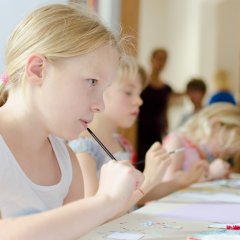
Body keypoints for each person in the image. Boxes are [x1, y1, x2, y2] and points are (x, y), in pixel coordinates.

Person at [0, 4, 144, 239]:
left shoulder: (66, 162)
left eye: (104, 89)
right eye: (92, 82)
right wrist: (104, 201)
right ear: (37, 70)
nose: (101, 105)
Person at [69, 55, 208, 209]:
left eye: (139, 94)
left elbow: (137, 194)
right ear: (99, 91)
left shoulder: (121, 143)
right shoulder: (84, 149)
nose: (139, 101)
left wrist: (183, 180)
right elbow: (92, 213)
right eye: (129, 93)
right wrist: (149, 178)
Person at [162, 103, 240, 182]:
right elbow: (167, 181)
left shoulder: (206, 154)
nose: (222, 154)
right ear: (214, 126)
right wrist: (209, 173)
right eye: (224, 144)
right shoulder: (177, 142)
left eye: (228, 154)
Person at [137, 48, 183, 171]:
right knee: (140, 162)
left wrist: (166, 129)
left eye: (164, 60)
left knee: (155, 162)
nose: (161, 62)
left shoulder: (166, 88)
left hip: (156, 130)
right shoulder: (142, 83)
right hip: (139, 130)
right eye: (158, 58)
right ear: (151, 60)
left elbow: (165, 111)